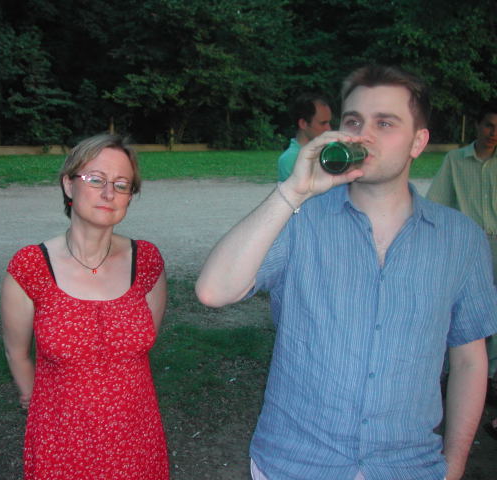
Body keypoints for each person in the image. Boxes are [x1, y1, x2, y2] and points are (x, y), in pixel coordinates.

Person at [196, 65, 497, 480]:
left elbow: (468, 361)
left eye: (385, 123)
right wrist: (292, 192)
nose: (363, 135)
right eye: (353, 122)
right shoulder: (300, 219)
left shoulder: (461, 239)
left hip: (408, 467)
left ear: (418, 141)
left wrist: (455, 463)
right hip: (295, 465)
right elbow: (214, 291)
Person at [1, 133, 169, 479]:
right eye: (96, 180)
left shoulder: (147, 262)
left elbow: (144, 342)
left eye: (121, 185)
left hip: (136, 440)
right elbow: (16, 353)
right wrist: (40, 407)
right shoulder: (31, 267)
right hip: (60, 444)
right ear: (68, 185)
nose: (109, 194)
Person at [427, 102, 497, 440]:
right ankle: (449, 373)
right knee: (460, 314)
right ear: (478, 126)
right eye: (489, 125)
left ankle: (489, 377)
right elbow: (436, 203)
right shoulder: (455, 160)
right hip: (469, 248)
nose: (493, 133)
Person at [277, 93, 332, 181]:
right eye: (323, 123)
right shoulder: (290, 159)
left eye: (329, 122)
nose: (329, 128)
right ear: (303, 124)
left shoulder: (327, 151)